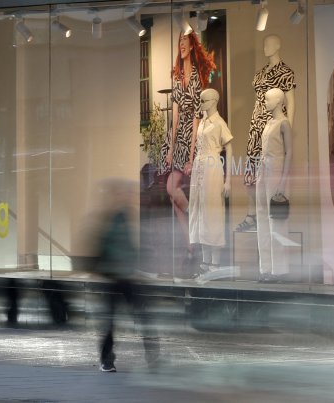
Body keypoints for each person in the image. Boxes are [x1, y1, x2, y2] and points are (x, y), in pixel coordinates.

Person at [161, 29, 216, 276]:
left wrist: (192, 155)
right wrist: (171, 147)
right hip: (177, 137)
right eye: (179, 42)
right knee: (172, 192)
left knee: (179, 192)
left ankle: (194, 243)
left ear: (192, 46)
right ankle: (191, 241)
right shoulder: (177, 76)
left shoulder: (197, 77)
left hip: (193, 137)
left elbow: (196, 117)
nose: (181, 45)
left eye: (185, 42)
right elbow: (174, 115)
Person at [93, 178, 158, 373]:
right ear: (117, 196)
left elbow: (128, 247)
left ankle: (153, 357)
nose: (130, 197)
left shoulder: (125, 216)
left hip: (126, 277)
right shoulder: (113, 219)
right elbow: (112, 247)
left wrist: (135, 266)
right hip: (114, 278)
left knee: (141, 317)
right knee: (112, 322)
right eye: (126, 194)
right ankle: (106, 360)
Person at [238, 35, 296, 233]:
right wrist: (255, 122)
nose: (265, 46)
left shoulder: (285, 72)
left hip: (276, 124)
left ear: (279, 45)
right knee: (252, 169)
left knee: (272, 167)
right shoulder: (260, 73)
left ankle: (275, 208)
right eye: (264, 43)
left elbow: (291, 101)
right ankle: (252, 213)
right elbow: (258, 100)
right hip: (257, 123)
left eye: (269, 43)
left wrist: (289, 127)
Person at [189, 88, 231, 275]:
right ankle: (205, 260)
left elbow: (229, 148)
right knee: (200, 211)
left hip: (213, 167)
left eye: (204, 100)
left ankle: (215, 262)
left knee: (212, 213)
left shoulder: (219, 123)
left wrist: (228, 180)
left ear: (214, 100)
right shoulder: (203, 122)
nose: (202, 104)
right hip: (199, 168)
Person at [256, 88, 293, 282]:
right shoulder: (269, 123)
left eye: (268, 99)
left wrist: (283, 181)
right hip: (263, 171)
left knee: (276, 222)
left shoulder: (284, 124)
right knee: (262, 217)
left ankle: (279, 270)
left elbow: (289, 154)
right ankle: (266, 268)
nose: (265, 101)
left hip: (276, 171)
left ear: (279, 101)